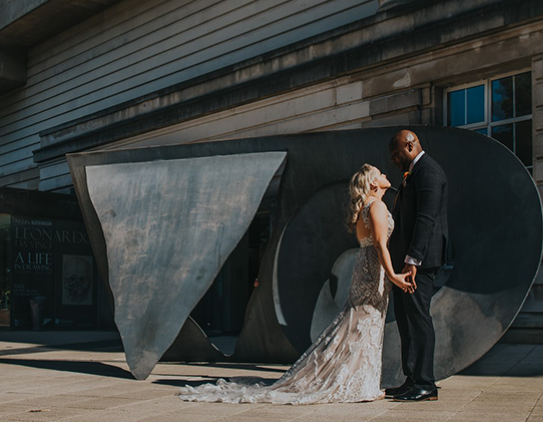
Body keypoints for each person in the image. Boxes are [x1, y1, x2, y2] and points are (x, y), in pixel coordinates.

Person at [180, 164, 414, 404]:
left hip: (366, 266)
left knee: (360, 324)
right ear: (374, 183)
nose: (385, 175)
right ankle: (359, 383)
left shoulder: (366, 208)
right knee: (366, 323)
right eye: (380, 173)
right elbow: (380, 245)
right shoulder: (376, 205)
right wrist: (394, 275)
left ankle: (361, 381)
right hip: (374, 270)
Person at [385, 129, 449, 402]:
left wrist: (412, 261)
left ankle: (426, 383)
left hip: (418, 265)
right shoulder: (413, 174)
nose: (394, 161)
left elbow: (426, 219)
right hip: (405, 264)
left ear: (409, 146)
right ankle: (411, 378)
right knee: (406, 319)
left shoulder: (429, 172)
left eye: (396, 155)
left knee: (419, 319)